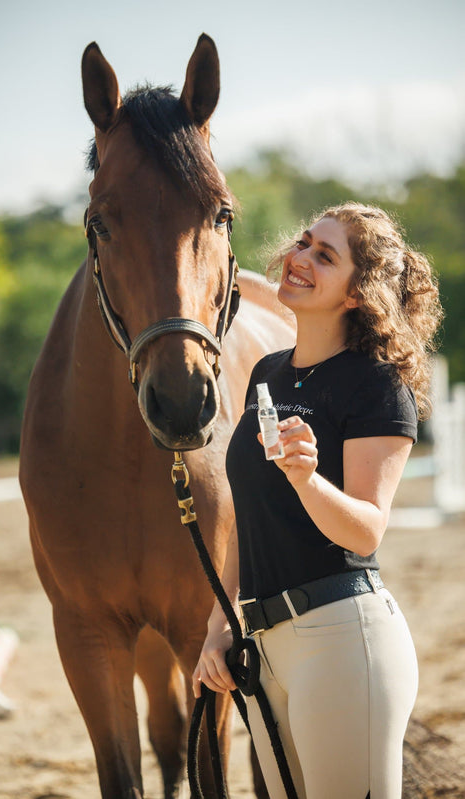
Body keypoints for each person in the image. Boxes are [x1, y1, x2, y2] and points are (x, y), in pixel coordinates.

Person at [192, 202, 443, 799]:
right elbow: (248, 514)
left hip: (341, 639)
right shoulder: (267, 376)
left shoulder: (376, 385)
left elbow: (365, 531)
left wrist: (308, 479)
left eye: (324, 255)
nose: (299, 256)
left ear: (359, 294)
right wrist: (219, 625)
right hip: (262, 643)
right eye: (304, 242)